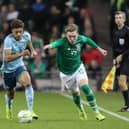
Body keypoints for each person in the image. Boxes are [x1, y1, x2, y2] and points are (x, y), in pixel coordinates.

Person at [44, 24, 107, 121]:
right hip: (66, 74)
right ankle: (80, 108)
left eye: (74, 36)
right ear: (66, 35)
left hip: (78, 68)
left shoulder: (81, 39)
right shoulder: (62, 42)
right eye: (70, 36)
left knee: (85, 88)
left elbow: (88, 40)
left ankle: (97, 112)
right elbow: (55, 44)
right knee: (76, 94)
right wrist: (49, 45)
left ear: (77, 34)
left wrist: (100, 49)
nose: (72, 38)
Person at [1, 19, 39, 120]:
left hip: (19, 66)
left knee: (27, 83)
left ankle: (31, 111)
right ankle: (8, 107)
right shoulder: (8, 40)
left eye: (20, 32)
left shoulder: (26, 35)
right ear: (12, 32)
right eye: (15, 32)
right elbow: (7, 58)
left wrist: (33, 50)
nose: (18, 34)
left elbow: (29, 42)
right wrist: (22, 53)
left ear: (23, 30)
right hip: (8, 70)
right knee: (11, 94)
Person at [112, 11, 129, 112]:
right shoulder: (114, 32)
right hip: (119, 60)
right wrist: (114, 58)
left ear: (124, 19)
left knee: (122, 82)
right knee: (122, 83)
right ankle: (127, 105)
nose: (118, 19)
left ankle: (127, 105)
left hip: (127, 58)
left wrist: (122, 56)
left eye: (120, 17)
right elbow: (114, 47)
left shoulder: (127, 31)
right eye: (116, 18)